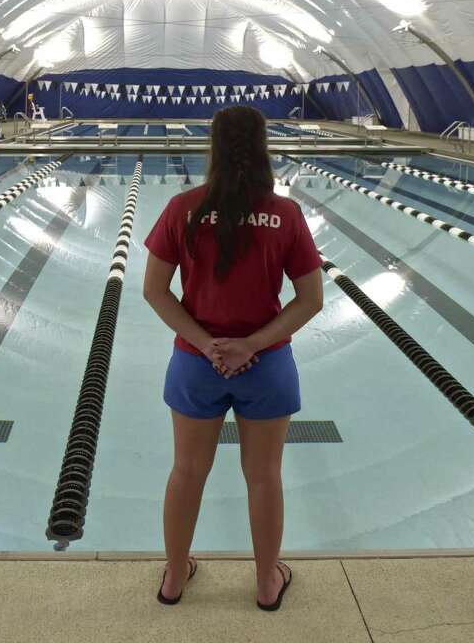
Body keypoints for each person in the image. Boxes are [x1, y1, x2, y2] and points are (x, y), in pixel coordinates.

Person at [143, 105, 323, 611]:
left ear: (213, 148)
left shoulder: (182, 208)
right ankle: (267, 582)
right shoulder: (284, 213)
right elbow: (310, 299)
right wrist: (251, 345)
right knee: (264, 475)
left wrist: (205, 344)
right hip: (267, 365)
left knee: (186, 471)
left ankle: (175, 577)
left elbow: (155, 291)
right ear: (263, 146)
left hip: (195, 364)